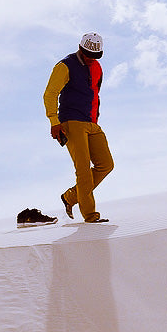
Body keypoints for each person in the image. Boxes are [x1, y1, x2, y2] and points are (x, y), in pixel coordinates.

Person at [44, 32, 114, 223]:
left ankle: (70, 197)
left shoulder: (98, 68)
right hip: (71, 121)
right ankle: (91, 216)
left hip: (92, 124)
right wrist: (54, 122)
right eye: (87, 54)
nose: (91, 58)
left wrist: (95, 120)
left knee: (106, 164)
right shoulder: (65, 65)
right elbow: (50, 94)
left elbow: (94, 95)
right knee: (83, 170)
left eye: (95, 56)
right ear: (80, 48)